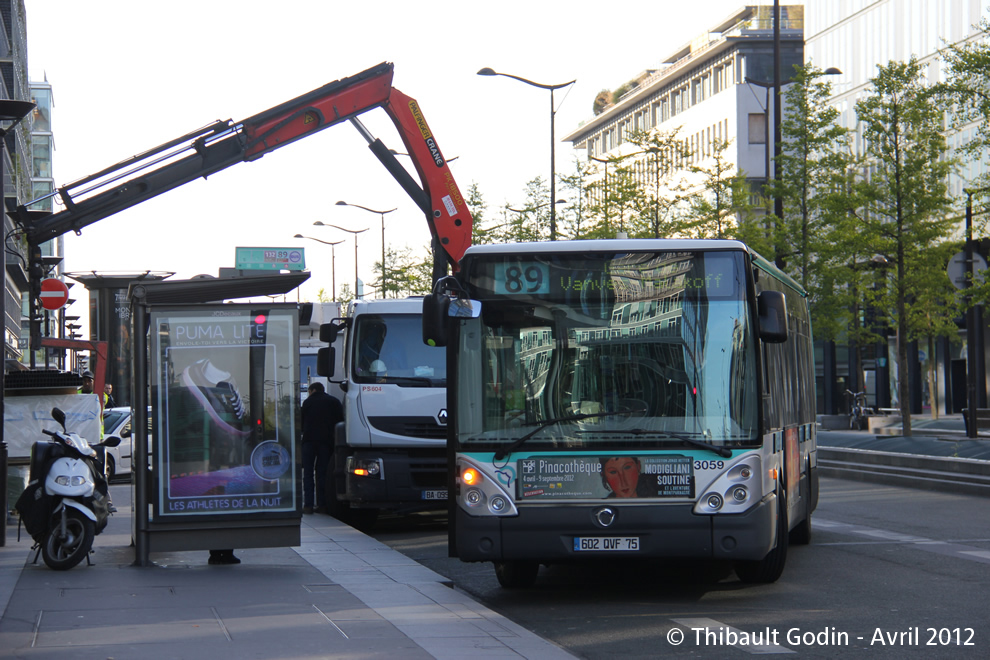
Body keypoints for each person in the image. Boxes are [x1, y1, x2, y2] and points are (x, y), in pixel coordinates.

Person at [301, 381, 344, 514]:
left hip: (309, 441)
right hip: (326, 442)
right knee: (322, 473)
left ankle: (308, 505)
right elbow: (340, 421)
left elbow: (301, 423)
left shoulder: (307, 403)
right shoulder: (334, 402)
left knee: (308, 473)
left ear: (312, 390)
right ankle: (322, 504)